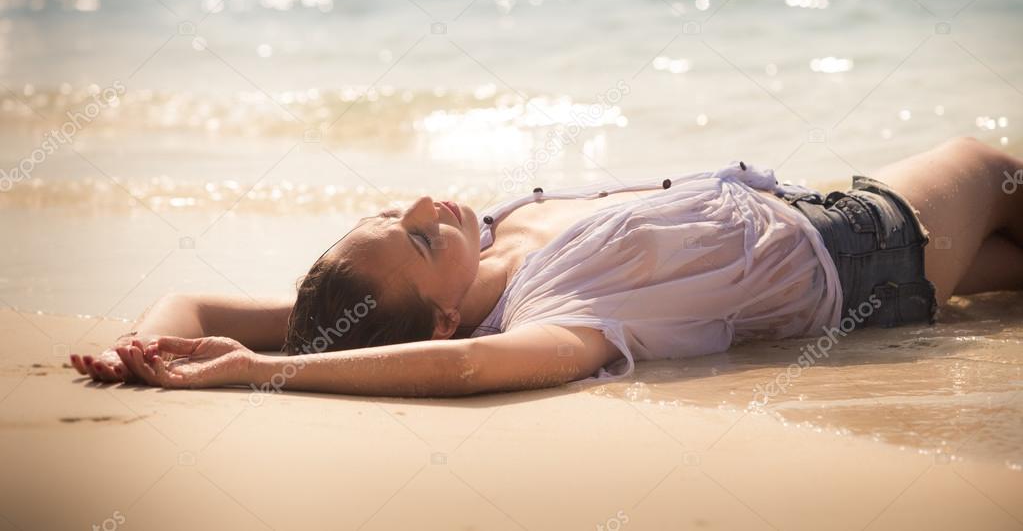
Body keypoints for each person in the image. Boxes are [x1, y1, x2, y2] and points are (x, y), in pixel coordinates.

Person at [70, 137, 1023, 397]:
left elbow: (193, 300)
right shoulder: (541, 316)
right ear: (438, 316)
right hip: (865, 248)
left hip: (842, 246)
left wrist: (140, 350)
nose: (419, 210)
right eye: (414, 242)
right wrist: (256, 373)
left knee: (1004, 264)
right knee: (986, 162)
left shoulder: (469, 259)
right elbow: (472, 371)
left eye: (387, 215)